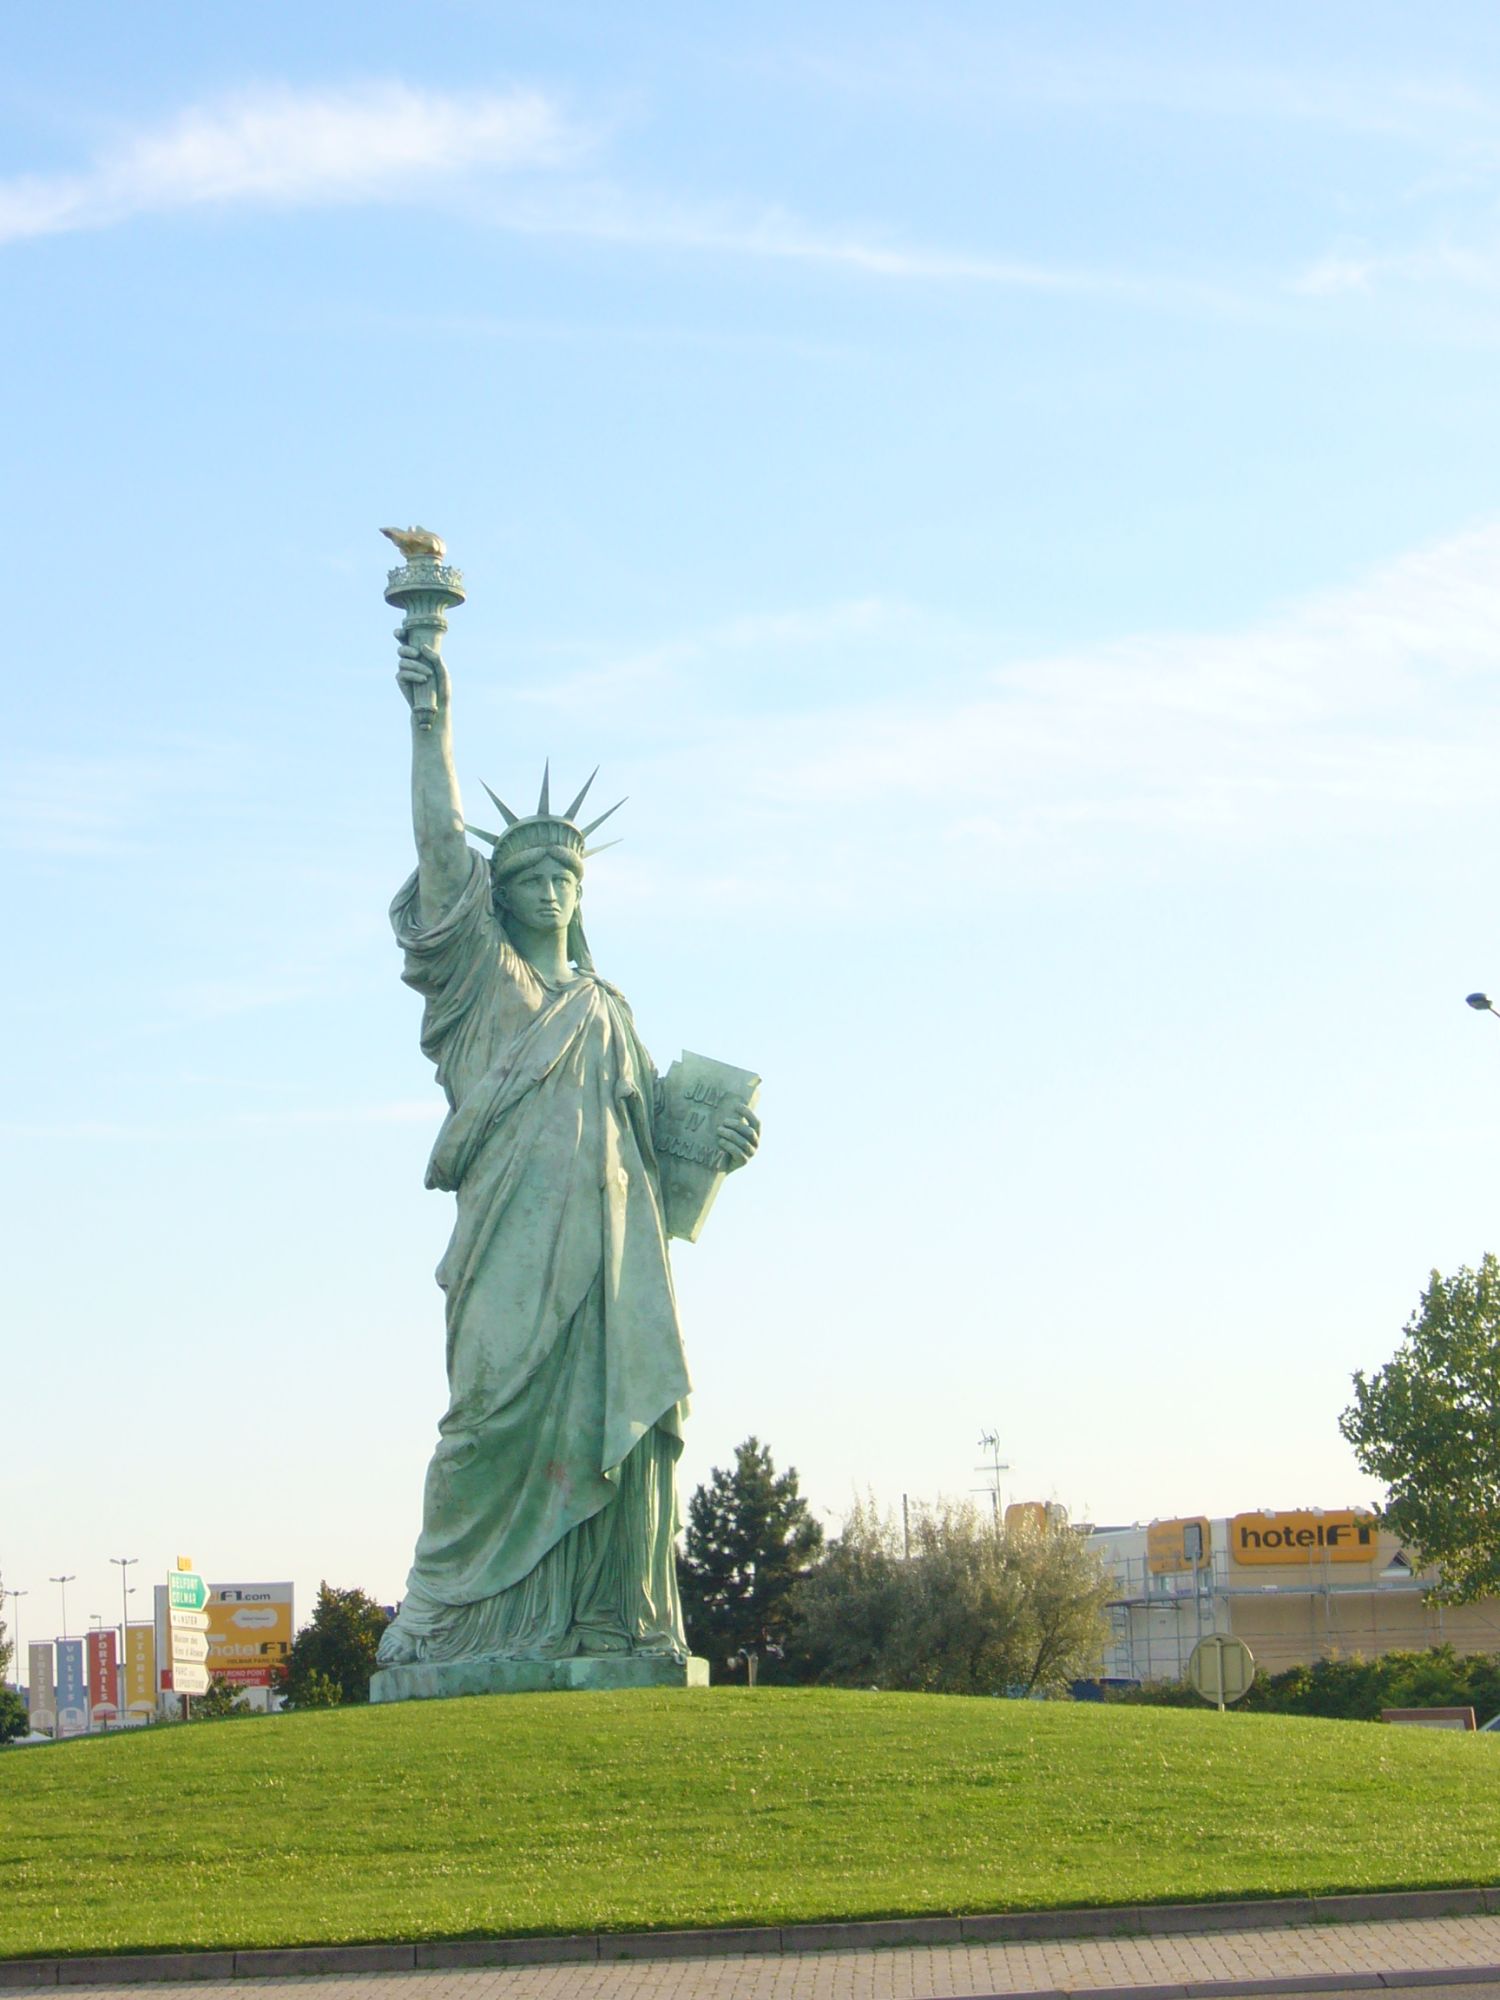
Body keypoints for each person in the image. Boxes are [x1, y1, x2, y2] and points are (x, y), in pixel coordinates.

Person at [376, 632, 759, 1668]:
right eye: (529, 875)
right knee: (485, 1421)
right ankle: (445, 1618)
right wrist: (430, 721)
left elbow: (662, 1159)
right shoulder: (480, 983)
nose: (550, 890)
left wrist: (719, 1145)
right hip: (509, 1247)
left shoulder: (609, 1010)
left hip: (613, 1266)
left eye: (565, 875)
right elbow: (440, 849)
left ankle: (605, 1619)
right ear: (498, 894)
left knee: (612, 1428)